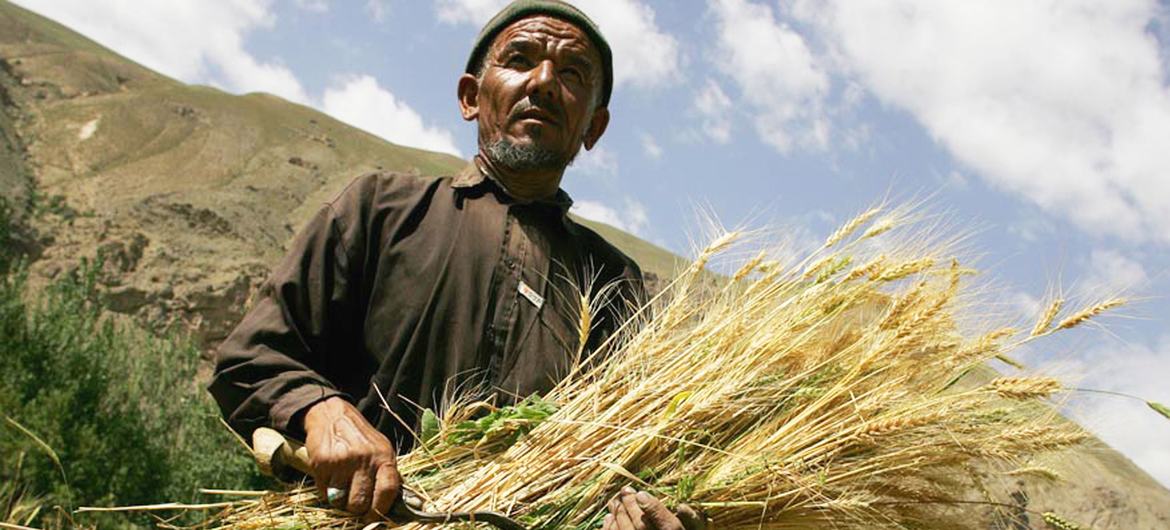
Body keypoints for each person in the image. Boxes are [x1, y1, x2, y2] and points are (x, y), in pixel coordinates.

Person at [209, 1, 702, 528]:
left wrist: (651, 511)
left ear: (594, 127)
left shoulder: (615, 282)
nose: (543, 82)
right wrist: (321, 409)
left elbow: (640, 450)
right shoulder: (379, 210)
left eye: (572, 73)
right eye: (520, 59)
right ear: (471, 97)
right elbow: (249, 360)